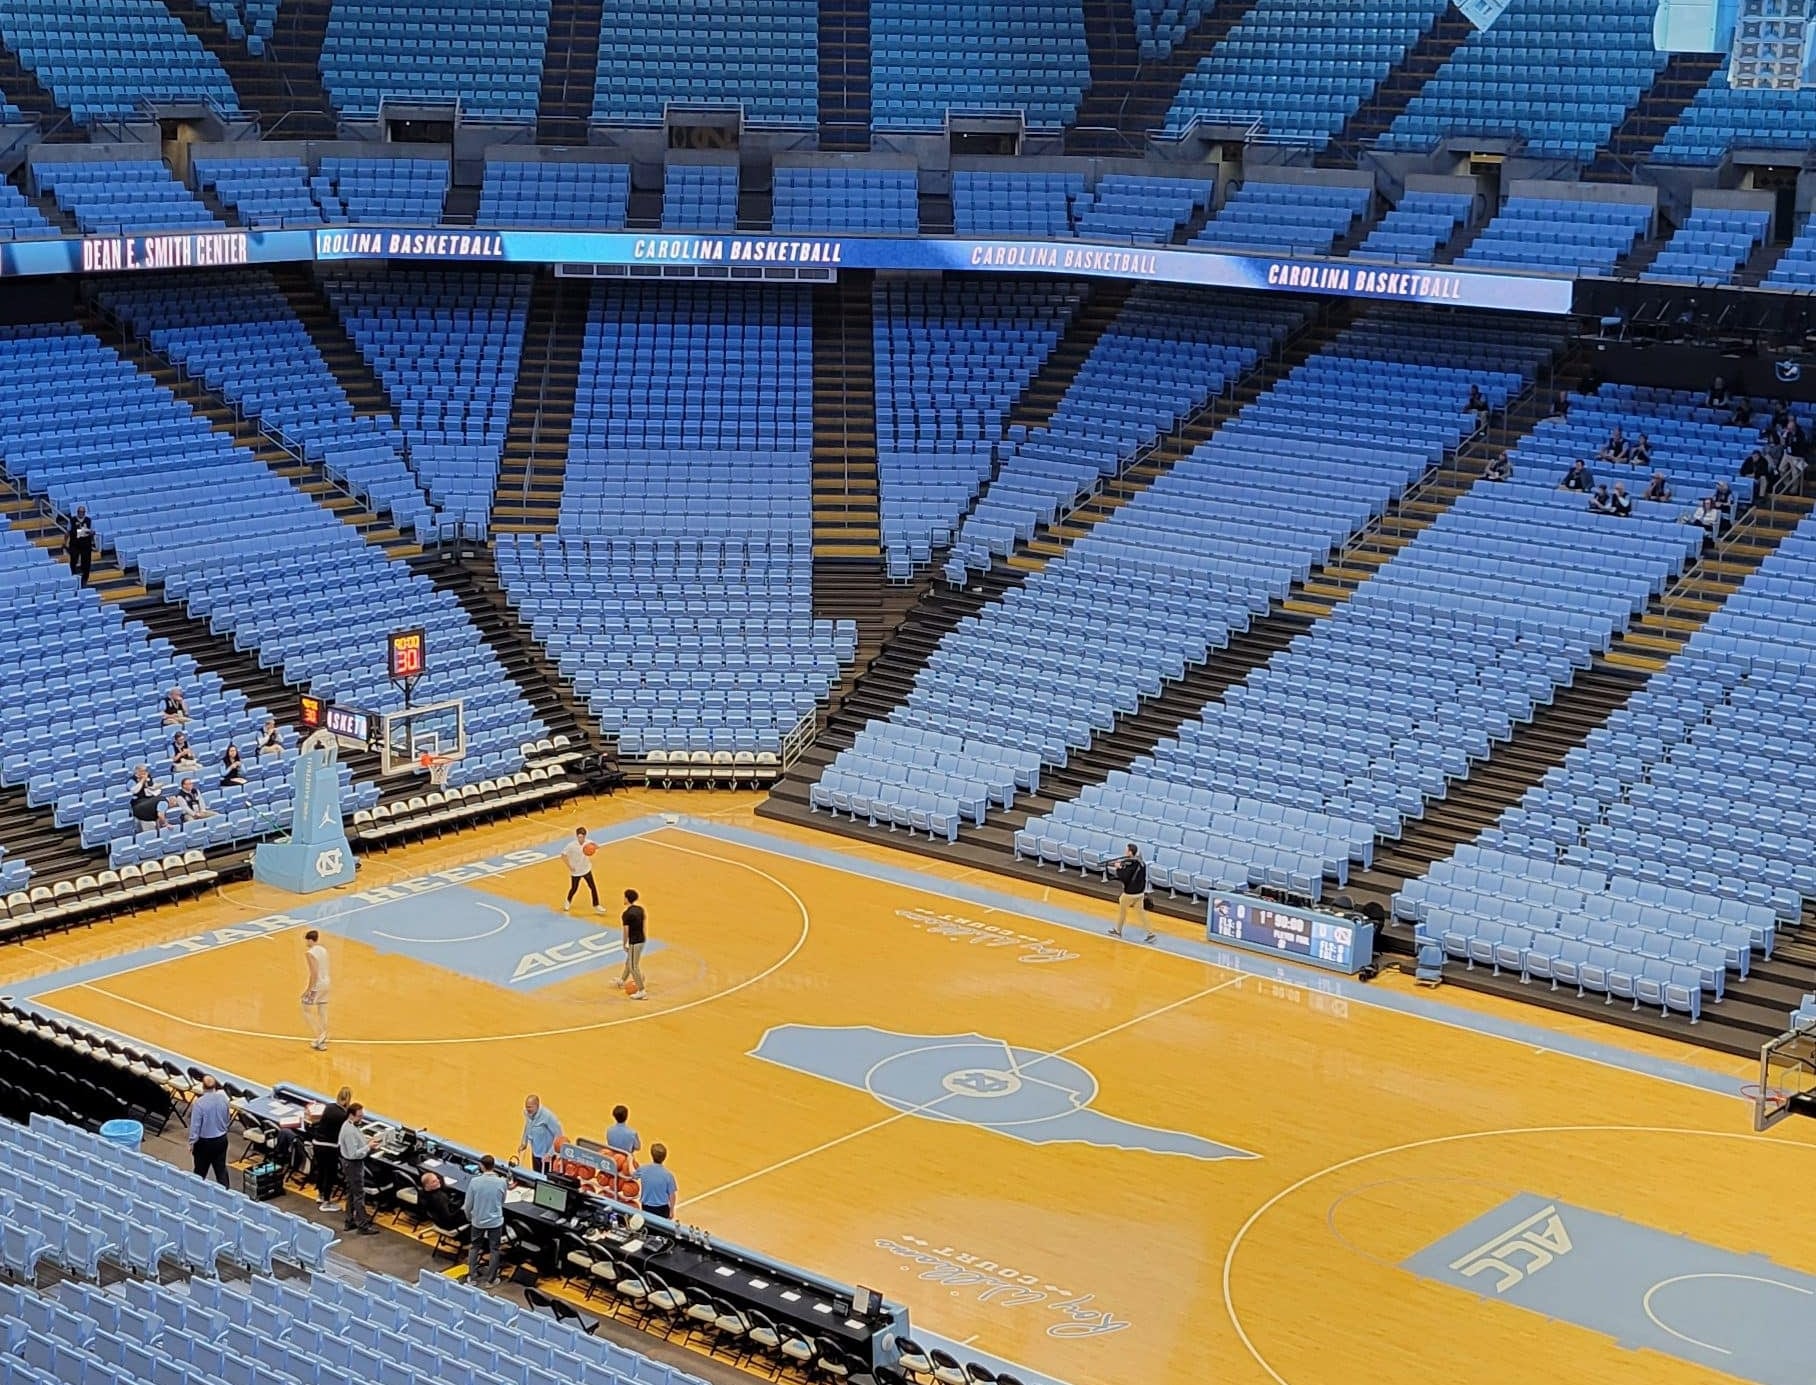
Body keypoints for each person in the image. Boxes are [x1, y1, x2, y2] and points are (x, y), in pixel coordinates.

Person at [464, 1155, 508, 1286]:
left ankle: (472, 1277)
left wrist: (470, 1217)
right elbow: (502, 1200)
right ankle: (491, 1280)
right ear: (494, 1166)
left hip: (478, 1220)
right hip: (495, 1221)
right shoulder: (502, 1182)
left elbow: (468, 1205)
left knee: (474, 1247)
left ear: (481, 1166)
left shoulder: (475, 1182)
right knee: (494, 1249)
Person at [338, 1102, 381, 1235]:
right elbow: (354, 1154)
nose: (361, 1118)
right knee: (358, 1195)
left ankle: (350, 1220)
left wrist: (367, 1143)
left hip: (351, 1164)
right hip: (353, 1165)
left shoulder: (349, 1125)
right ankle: (363, 1225)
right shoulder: (349, 1131)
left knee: (352, 1193)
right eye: (359, 1116)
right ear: (351, 1115)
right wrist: (369, 1147)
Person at [311, 1085, 354, 1211]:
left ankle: (320, 1195)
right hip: (329, 1147)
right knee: (330, 1174)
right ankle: (326, 1202)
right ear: (347, 1100)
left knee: (321, 1170)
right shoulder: (344, 1115)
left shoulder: (329, 1107)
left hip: (317, 1143)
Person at [188, 1073, 232, 1187]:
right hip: (221, 1139)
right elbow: (228, 1118)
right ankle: (226, 1194)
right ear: (215, 1086)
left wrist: (192, 1142)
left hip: (204, 1143)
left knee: (200, 1172)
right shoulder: (223, 1099)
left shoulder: (199, 1103)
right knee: (221, 1170)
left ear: (203, 1086)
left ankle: (196, 1193)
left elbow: (195, 1125)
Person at [1107, 844, 1154, 943]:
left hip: (1130, 893)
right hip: (1140, 892)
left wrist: (1119, 868)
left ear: (1130, 852)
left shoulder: (1131, 865)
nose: (1125, 852)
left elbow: (1124, 877)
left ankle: (1118, 931)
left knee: (1122, 911)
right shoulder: (1142, 863)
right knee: (1141, 913)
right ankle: (1150, 933)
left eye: (1126, 850)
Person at [515, 1095, 562, 1174]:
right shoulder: (528, 1113)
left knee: (546, 1177)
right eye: (526, 1106)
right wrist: (524, 1142)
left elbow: (559, 1135)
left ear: (537, 1105)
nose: (527, 1109)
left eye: (530, 1107)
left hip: (547, 1157)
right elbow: (527, 1126)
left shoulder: (548, 1116)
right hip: (536, 1152)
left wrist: (550, 1154)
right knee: (536, 1175)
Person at [561, 826, 601, 914]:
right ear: (576, 836)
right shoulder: (571, 845)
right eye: (579, 837)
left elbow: (597, 847)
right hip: (576, 871)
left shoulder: (588, 843)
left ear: (585, 836)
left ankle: (596, 905)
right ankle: (568, 901)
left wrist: (593, 846)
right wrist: (569, 866)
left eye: (582, 837)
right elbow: (563, 855)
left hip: (586, 869)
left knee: (593, 887)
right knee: (574, 888)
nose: (580, 839)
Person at [302, 929, 331, 1051]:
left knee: (305, 1008)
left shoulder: (310, 953)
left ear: (310, 940)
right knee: (322, 1009)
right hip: (327, 982)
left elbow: (314, 973)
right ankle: (324, 1034)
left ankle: (320, 1036)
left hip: (317, 984)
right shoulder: (323, 950)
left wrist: (308, 989)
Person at [637, 1143, 678, 1220]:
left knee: (648, 1223)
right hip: (662, 1208)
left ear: (651, 1155)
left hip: (646, 1206)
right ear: (665, 1157)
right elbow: (672, 1195)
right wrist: (671, 1210)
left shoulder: (643, 1169)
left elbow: (632, 1174)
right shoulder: (668, 1175)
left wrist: (630, 1160)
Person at [620, 889, 647, 999]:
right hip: (641, 939)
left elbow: (626, 931)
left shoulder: (626, 914)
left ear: (627, 899)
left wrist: (624, 943)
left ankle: (641, 991)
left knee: (633, 966)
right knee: (629, 962)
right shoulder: (640, 909)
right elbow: (643, 925)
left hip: (634, 942)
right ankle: (622, 980)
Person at [129, 766, 167, 833]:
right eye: (142, 771)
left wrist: (157, 786)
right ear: (137, 772)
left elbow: (151, 787)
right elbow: (134, 791)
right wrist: (142, 780)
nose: (144, 772)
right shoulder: (131, 780)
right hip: (138, 803)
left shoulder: (148, 776)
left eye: (145, 771)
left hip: (149, 799)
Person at [63, 505, 94, 586]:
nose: (81, 513)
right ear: (77, 512)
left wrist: (91, 533)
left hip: (86, 544)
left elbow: (92, 532)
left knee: (86, 563)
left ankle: (84, 580)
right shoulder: (72, 520)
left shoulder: (88, 520)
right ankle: (73, 576)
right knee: (73, 560)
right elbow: (68, 532)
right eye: (80, 512)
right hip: (74, 544)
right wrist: (65, 542)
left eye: (83, 512)